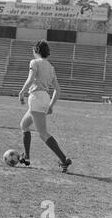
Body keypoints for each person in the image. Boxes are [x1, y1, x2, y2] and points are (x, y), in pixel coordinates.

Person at [18, 40, 72, 173]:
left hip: (36, 97)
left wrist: (21, 91)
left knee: (43, 133)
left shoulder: (34, 62)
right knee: (24, 125)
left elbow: (31, 79)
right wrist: (51, 105)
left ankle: (64, 160)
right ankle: (27, 157)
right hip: (44, 98)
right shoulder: (51, 67)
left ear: (36, 50)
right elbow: (57, 90)